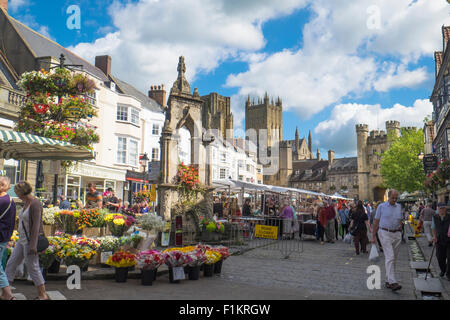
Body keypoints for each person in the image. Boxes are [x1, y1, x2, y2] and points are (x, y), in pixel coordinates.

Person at [5, 181, 49, 300]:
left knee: (33, 267)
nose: (17, 196)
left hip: (30, 241)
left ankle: (42, 294)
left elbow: (36, 226)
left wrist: (33, 246)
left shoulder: (35, 204)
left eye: (17, 193)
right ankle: (6, 293)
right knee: (11, 264)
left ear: (22, 193)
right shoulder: (26, 203)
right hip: (22, 240)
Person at [372, 189, 403, 291]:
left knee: (394, 258)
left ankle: (388, 280)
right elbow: (376, 222)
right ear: (388, 197)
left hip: (397, 234)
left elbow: (400, 220)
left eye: (396, 198)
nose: (394, 200)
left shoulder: (399, 207)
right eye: (393, 198)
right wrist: (373, 236)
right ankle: (393, 282)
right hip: (385, 233)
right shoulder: (381, 207)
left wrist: (400, 228)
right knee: (390, 257)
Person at [0, 177, 16, 300]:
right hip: (5, 236)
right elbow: (12, 222)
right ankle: (6, 293)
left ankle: (8, 294)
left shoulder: (2, 201)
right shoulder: (11, 200)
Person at [431, 203, 450, 280]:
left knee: (449, 257)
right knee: (439, 257)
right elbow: (433, 227)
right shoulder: (435, 217)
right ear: (437, 209)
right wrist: (434, 236)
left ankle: (449, 274)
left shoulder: (449, 216)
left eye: (443, 208)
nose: (442, 210)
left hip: (449, 240)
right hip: (439, 239)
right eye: (440, 208)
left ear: (445, 209)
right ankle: (443, 270)